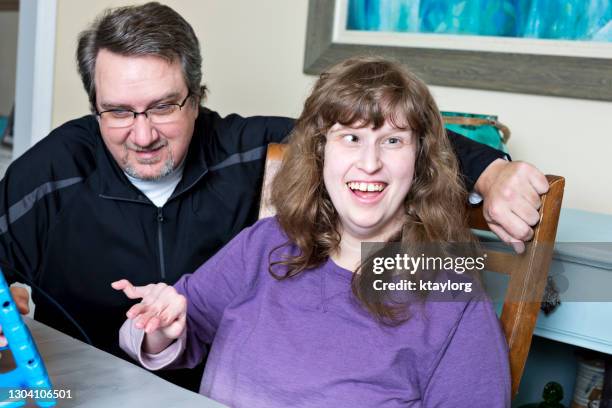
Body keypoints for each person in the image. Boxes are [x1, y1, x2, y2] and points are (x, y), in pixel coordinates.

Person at [0, 1, 543, 392]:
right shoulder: (51, 172)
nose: (142, 135)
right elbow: (176, 327)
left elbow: (369, 126)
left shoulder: (253, 150)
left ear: (197, 98)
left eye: (163, 106)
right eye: (118, 111)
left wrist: (491, 170)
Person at [116, 57, 510, 407]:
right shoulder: (266, 243)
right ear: (321, 153)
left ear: (420, 162)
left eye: (392, 141)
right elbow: (163, 334)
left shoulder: (453, 301)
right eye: (351, 138)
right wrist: (161, 328)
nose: (369, 163)